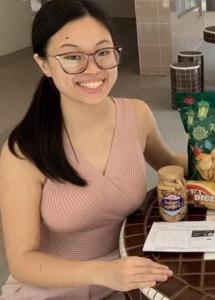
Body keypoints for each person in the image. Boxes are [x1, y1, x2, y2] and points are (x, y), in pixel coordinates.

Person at [0, 0, 187, 299]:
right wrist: (104, 273)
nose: (93, 69)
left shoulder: (136, 115)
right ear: (44, 64)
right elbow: (22, 261)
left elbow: (171, 166)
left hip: (129, 271)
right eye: (72, 57)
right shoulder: (23, 151)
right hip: (52, 286)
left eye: (102, 52)